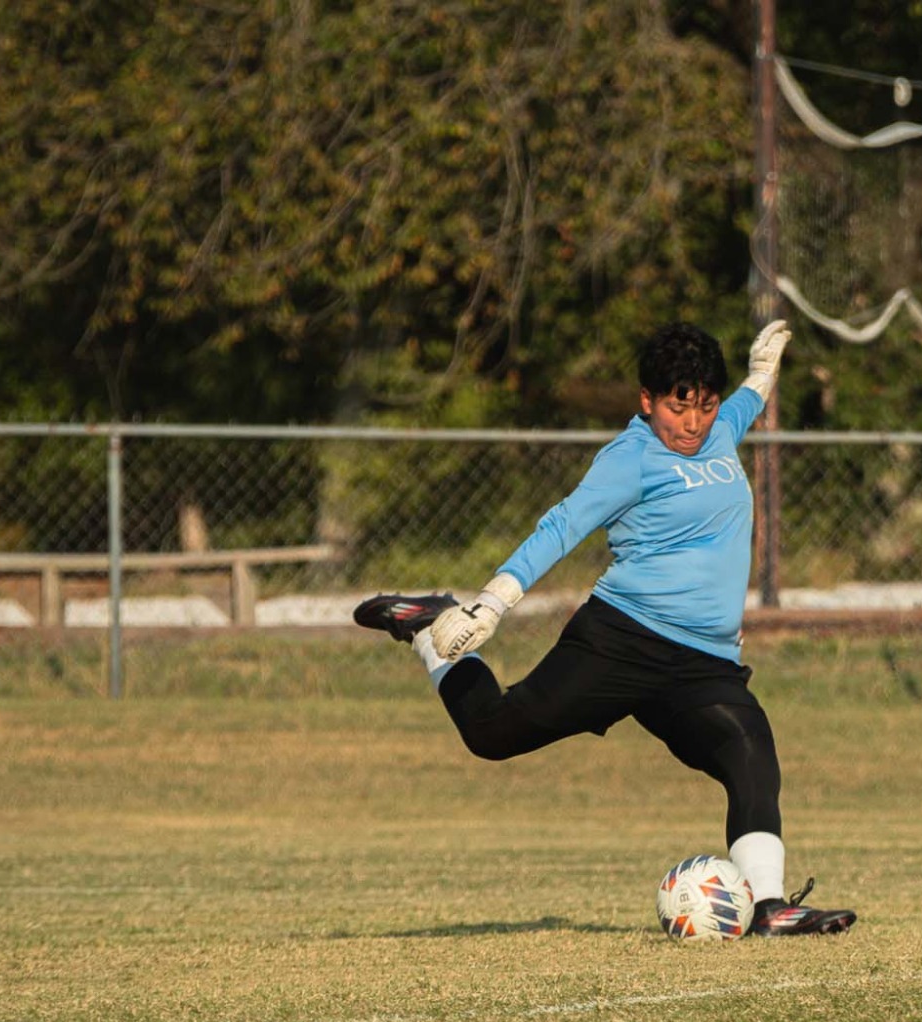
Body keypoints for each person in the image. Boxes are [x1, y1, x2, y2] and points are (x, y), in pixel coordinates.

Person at [353, 320, 856, 936]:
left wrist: (761, 374)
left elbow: (745, 407)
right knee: (491, 734)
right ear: (646, 401)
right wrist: (490, 604)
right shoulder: (630, 458)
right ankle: (432, 636)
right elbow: (561, 526)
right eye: (677, 407)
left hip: (703, 664)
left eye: (703, 405)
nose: (692, 423)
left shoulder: (720, 430)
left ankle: (771, 908)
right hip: (622, 640)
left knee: (750, 750)